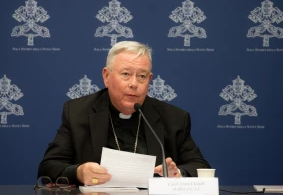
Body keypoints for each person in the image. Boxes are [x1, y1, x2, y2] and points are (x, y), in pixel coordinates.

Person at [37, 41, 210, 186]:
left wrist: (177, 173)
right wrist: (79, 172)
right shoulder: (77, 113)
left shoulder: (174, 118)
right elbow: (48, 167)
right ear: (106, 76)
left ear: (149, 80)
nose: (134, 84)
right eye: (126, 74)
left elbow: (199, 166)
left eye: (141, 76)